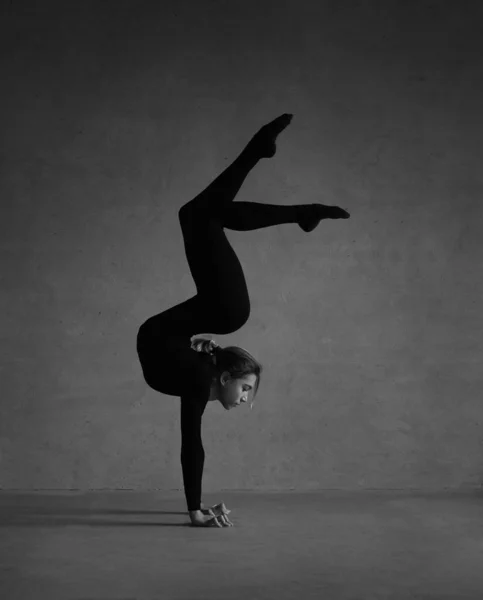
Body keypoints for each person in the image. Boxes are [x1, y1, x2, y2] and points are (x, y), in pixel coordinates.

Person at [136, 114, 350, 527]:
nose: (246, 397)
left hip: (206, 316)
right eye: (247, 388)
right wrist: (195, 511)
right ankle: (288, 193)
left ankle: (280, 181)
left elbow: (189, 441)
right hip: (221, 309)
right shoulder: (199, 379)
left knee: (200, 214)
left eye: (247, 390)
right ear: (225, 375)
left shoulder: (197, 375)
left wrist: (195, 510)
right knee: (198, 215)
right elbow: (191, 443)